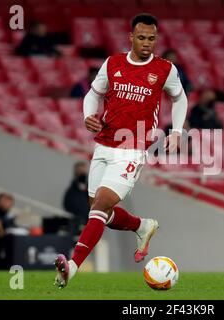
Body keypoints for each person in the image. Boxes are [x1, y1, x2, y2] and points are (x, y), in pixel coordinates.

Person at [54, 14, 188, 288]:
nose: (147, 43)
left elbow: (180, 97)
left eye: (151, 38)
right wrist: (88, 115)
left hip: (133, 149)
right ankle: (142, 226)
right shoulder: (113, 63)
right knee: (99, 211)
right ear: (131, 37)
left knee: (101, 206)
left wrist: (176, 131)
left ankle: (72, 266)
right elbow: (93, 94)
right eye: (141, 38)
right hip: (103, 145)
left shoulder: (164, 69)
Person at [63, 161, 90, 229]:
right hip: (76, 222)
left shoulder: (90, 189)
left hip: (88, 221)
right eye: (79, 171)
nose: (81, 173)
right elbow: (67, 205)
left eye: (83, 171)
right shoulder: (72, 189)